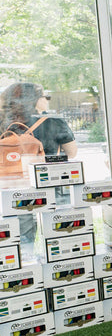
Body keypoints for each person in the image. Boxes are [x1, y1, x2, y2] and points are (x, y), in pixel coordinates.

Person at [1, 82, 78, 247]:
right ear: (34, 100)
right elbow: (71, 153)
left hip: (15, 187)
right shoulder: (53, 121)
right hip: (50, 183)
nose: (47, 100)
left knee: (22, 239)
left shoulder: (3, 123)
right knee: (59, 233)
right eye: (45, 96)